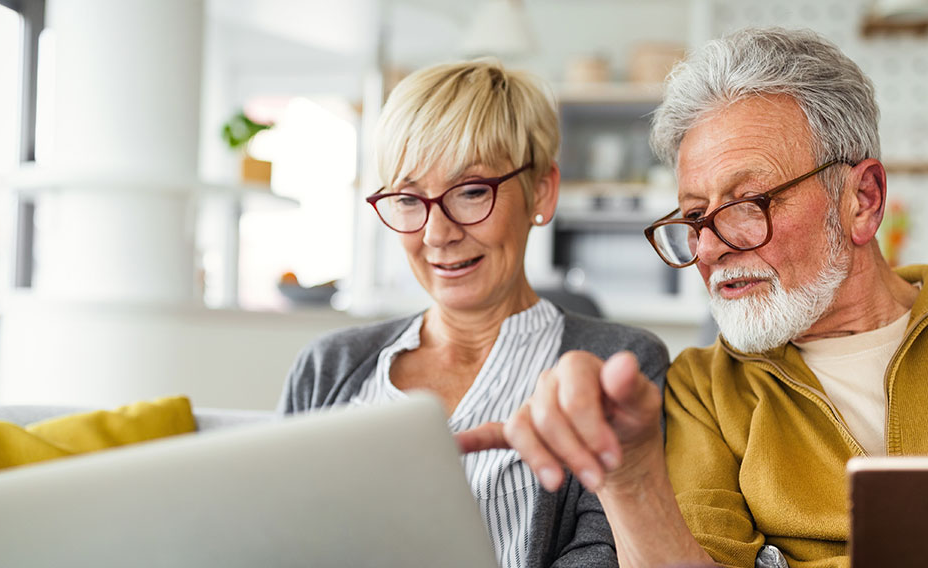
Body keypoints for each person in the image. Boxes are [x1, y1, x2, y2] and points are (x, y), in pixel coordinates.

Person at [458, 27, 928, 568]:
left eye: (746, 204)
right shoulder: (703, 391)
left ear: (862, 201)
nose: (712, 246)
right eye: (693, 217)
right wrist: (630, 480)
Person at [277, 59, 669, 568]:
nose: (437, 234)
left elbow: (606, 554)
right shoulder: (328, 366)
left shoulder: (618, 366)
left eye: (470, 192)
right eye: (408, 199)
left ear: (541, 191)